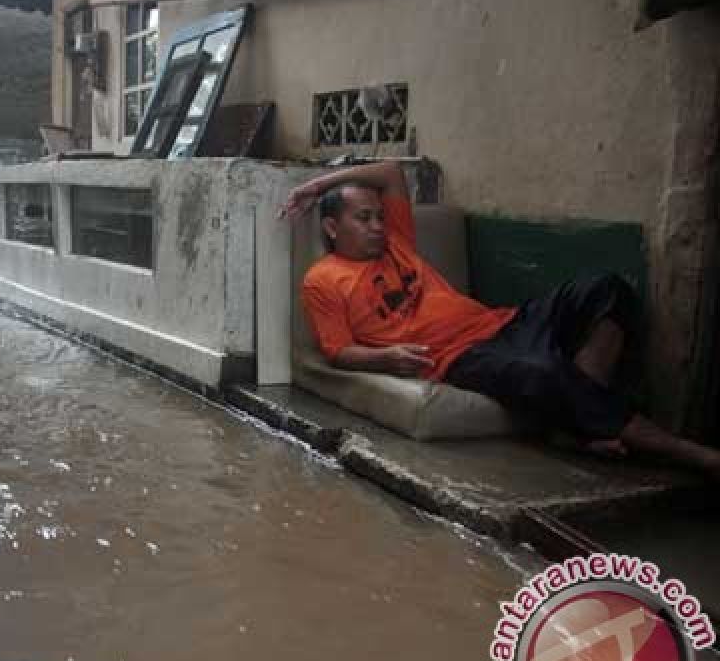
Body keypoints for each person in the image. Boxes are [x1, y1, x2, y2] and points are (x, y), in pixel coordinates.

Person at [280, 161, 720, 479]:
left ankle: (576, 421)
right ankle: (691, 454)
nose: (378, 226)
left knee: (607, 289)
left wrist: (317, 184)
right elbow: (336, 351)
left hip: (505, 322)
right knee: (543, 372)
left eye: (379, 216)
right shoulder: (323, 280)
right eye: (364, 218)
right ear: (333, 228)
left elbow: (392, 171)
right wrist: (386, 357)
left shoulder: (396, 239)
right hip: (461, 357)